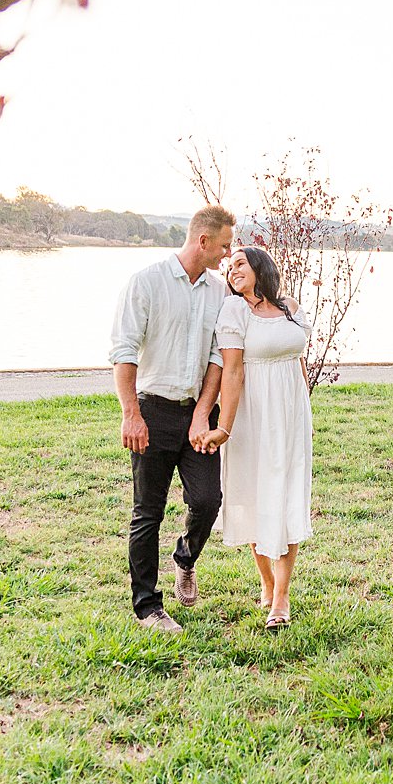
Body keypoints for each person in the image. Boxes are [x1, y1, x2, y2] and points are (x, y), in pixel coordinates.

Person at [108, 205, 235, 632]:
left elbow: (218, 358)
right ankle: (147, 607)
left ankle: (186, 557)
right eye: (223, 245)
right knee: (148, 511)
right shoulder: (147, 283)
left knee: (207, 500)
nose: (227, 253)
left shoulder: (220, 294)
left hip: (197, 414)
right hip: (153, 411)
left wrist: (203, 414)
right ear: (203, 241)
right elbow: (124, 352)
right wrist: (132, 414)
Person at [200, 246, 313, 629]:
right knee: (254, 494)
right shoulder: (234, 312)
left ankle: (281, 598)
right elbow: (232, 372)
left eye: (240, 264)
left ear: (261, 268)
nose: (233, 272)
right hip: (252, 414)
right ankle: (267, 582)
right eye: (229, 268)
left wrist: (300, 403)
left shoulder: (290, 308)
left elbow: (298, 359)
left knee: (286, 495)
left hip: (291, 414)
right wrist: (224, 427)